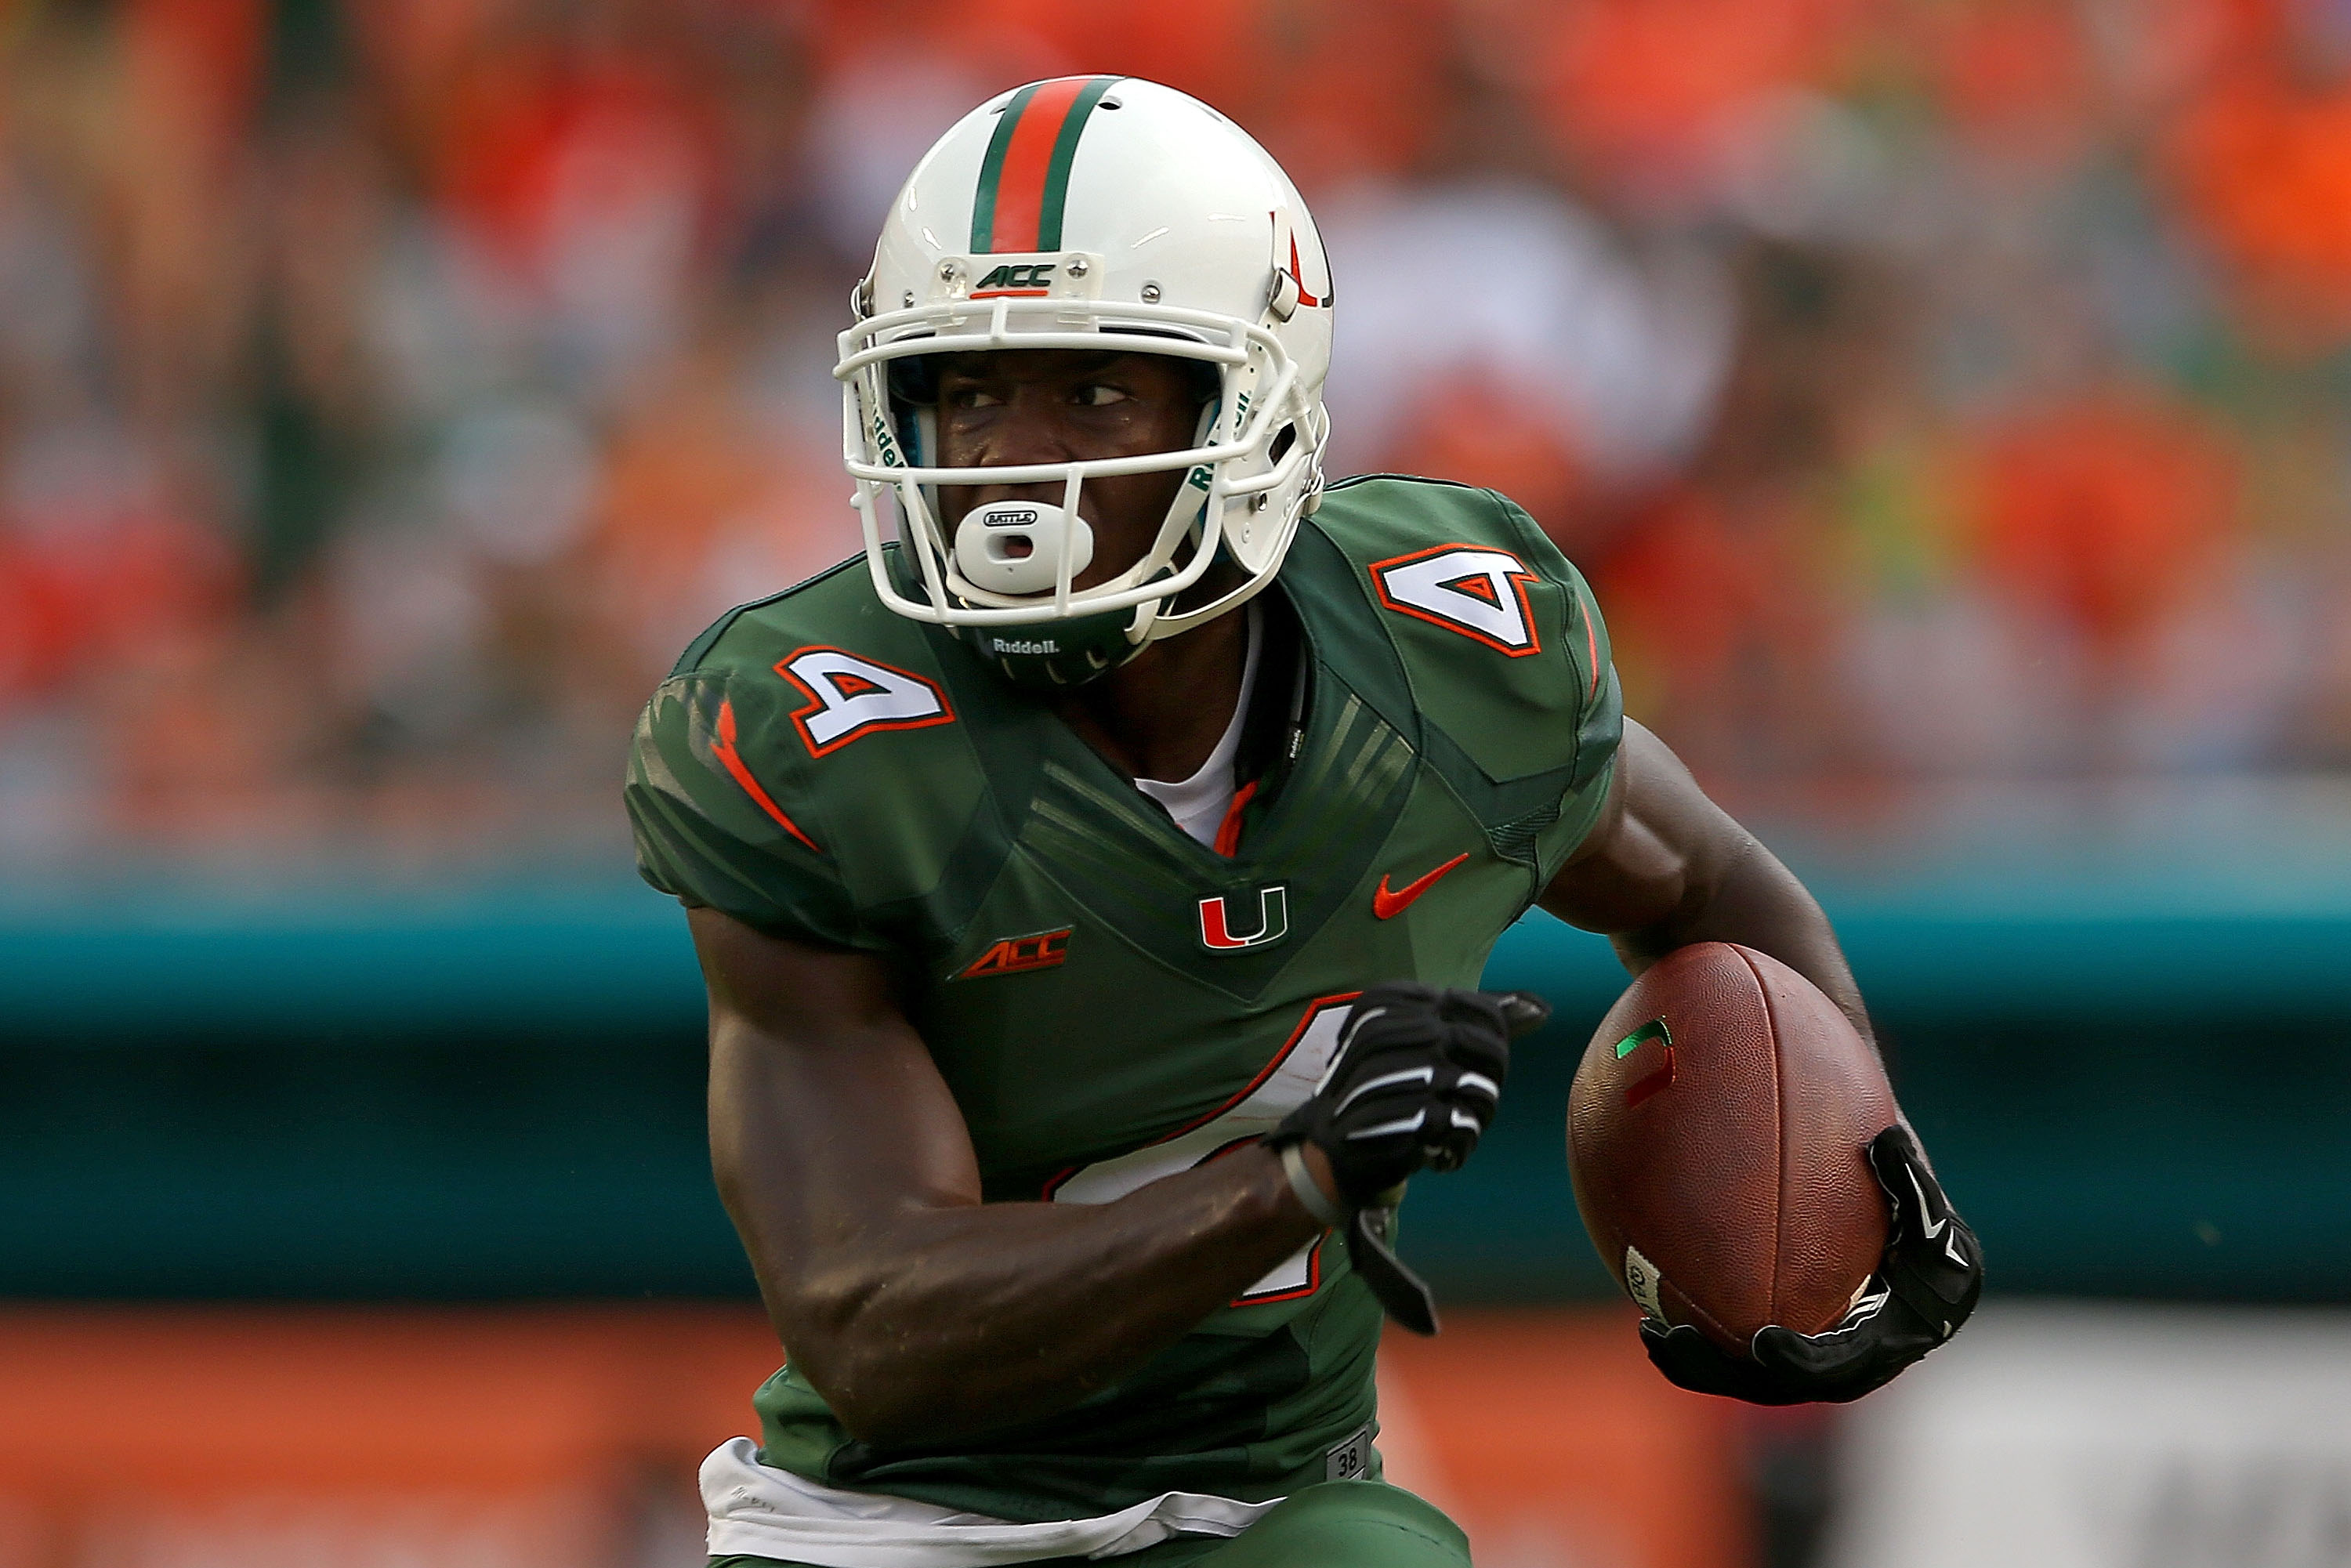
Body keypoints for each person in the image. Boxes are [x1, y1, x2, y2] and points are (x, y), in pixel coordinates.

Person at [625, 74, 1980, 1568]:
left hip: (1267, 1503)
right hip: (898, 1525)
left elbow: (1711, 886)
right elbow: (870, 1314)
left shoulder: (1451, 659)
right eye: (968, 392)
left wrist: (1856, 1186)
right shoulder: (817, 735)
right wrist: (1293, 1184)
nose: (1011, 462)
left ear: (1251, 401)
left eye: (1090, 389)